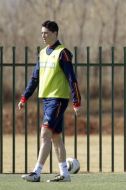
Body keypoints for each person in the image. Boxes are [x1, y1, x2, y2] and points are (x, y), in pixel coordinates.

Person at [18, 20, 81, 182]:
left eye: (46, 33)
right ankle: (65, 174)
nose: (43, 36)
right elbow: (34, 78)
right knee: (55, 137)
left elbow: (71, 78)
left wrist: (76, 101)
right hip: (46, 100)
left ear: (55, 33)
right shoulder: (42, 53)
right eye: (42, 33)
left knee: (45, 134)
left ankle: (36, 173)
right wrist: (24, 97)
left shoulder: (63, 52)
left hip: (58, 100)